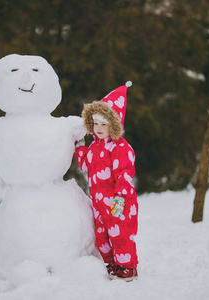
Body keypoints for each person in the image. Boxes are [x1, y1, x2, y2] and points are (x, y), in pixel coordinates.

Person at [75, 81, 138, 281]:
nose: (99, 128)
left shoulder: (120, 147)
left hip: (118, 201)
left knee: (120, 235)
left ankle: (128, 267)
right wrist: (81, 146)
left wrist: (120, 198)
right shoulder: (94, 147)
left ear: (114, 124)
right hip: (99, 203)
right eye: (95, 123)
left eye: (104, 124)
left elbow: (124, 175)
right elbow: (85, 165)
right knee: (102, 237)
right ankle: (112, 265)